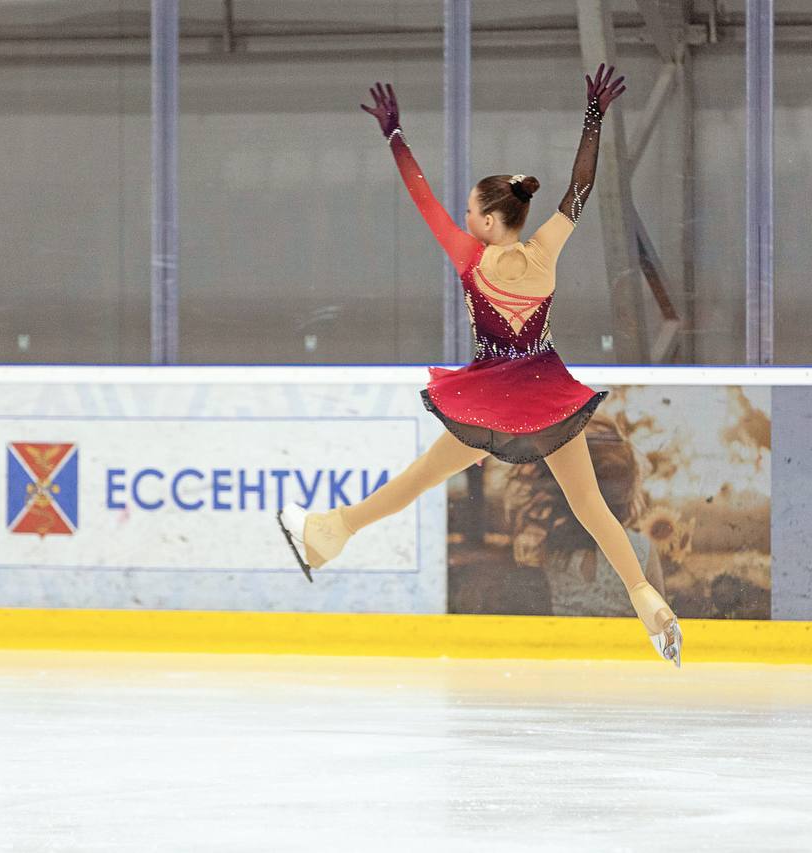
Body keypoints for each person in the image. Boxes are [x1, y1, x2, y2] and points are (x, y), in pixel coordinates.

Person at [277, 64, 681, 667]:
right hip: (546, 397)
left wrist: (395, 136)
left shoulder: (472, 259)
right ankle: (645, 597)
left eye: (472, 213)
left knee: (417, 480)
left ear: (491, 222)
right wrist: (593, 118)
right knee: (592, 507)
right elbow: (580, 190)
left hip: (492, 401)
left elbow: (422, 199)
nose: (465, 220)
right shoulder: (546, 249)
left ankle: (331, 533)